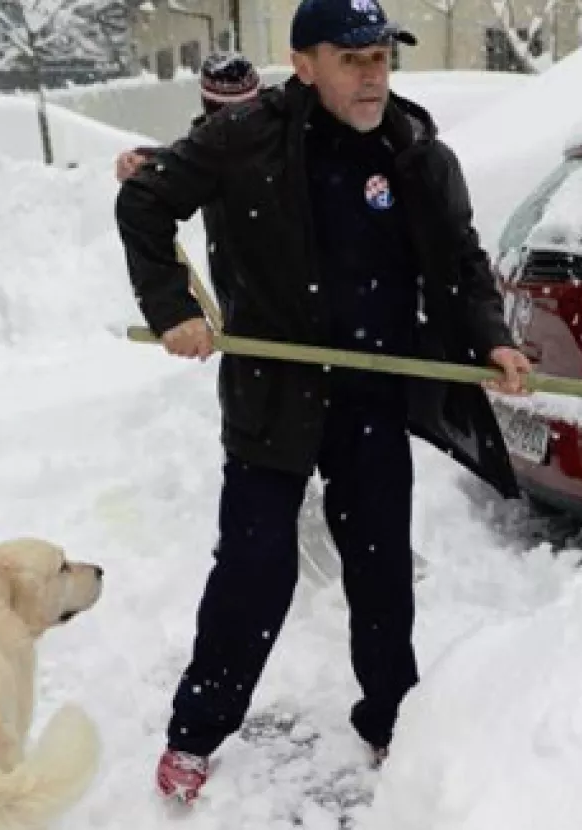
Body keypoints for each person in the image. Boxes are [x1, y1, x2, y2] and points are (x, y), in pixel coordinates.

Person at [114, 0, 532, 804]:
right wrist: (174, 309)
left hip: (372, 391)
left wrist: (490, 339)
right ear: (304, 64)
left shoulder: (415, 150)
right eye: (352, 58)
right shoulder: (247, 139)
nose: (372, 74)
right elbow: (146, 202)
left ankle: (390, 720)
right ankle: (195, 734)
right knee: (254, 568)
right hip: (275, 391)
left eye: (380, 57)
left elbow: (461, 262)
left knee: (381, 571)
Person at [115, 53, 262, 321]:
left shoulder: (268, 143)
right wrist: (152, 164)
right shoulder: (218, 147)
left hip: (272, 303)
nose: (234, 126)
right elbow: (196, 161)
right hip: (240, 297)